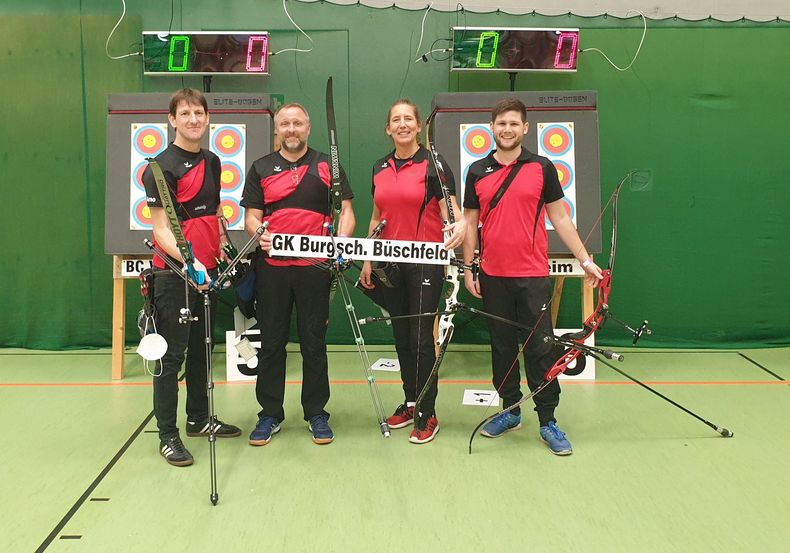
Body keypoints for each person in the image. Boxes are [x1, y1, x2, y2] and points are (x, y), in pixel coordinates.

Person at [462, 98, 603, 456]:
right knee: (502, 348)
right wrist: (469, 268)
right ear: (491, 128)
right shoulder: (477, 171)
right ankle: (509, 411)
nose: (506, 129)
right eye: (500, 123)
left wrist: (585, 260)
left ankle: (547, 420)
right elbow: (470, 225)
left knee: (540, 350)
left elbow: (560, 218)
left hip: (532, 275)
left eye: (513, 123)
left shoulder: (542, 167)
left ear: (525, 129)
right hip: (493, 276)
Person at [241, 103, 355, 446]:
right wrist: (258, 232)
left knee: (314, 344)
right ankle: (270, 414)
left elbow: (346, 210)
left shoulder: (326, 165)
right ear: (278, 130)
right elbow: (251, 217)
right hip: (273, 271)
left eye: (298, 123)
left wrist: (343, 243)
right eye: (285, 124)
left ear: (308, 128)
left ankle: (316, 412)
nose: (292, 129)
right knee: (272, 343)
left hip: (315, 269)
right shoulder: (261, 167)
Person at [142, 88, 242, 467]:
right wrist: (189, 262)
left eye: (199, 112)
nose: (193, 119)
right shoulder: (159, 167)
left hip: (208, 273)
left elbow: (213, 213)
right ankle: (168, 435)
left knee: (202, 350)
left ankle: (199, 419)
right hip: (175, 275)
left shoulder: (213, 161)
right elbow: (161, 229)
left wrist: (221, 246)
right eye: (185, 113)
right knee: (171, 358)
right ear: (172, 120)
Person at [359, 99, 465, 444]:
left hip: (426, 262)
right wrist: (367, 257)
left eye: (409, 119)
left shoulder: (434, 164)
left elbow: (453, 213)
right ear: (388, 129)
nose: (402, 124)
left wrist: (458, 230)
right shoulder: (379, 166)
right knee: (402, 336)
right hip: (390, 261)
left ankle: (427, 412)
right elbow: (377, 217)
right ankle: (410, 401)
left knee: (422, 338)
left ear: (418, 127)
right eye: (396, 120)